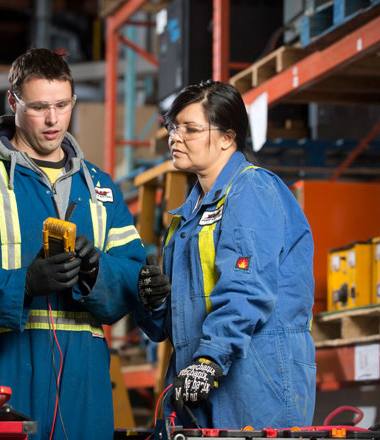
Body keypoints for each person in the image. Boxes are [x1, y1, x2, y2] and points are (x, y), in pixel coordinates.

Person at [0, 48, 145, 440]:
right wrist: (21, 285)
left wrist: (98, 273)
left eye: (63, 104)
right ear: (13, 102)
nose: (54, 119)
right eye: (39, 106)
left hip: (83, 386)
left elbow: (133, 280)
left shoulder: (103, 189)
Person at [135, 80, 315, 429]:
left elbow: (247, 289)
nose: (176, 137)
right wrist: (154, 302)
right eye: (173, 127)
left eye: (191, 128)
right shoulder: (186, 217)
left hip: (256, 379)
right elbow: (169, 325)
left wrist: (210, 359)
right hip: (199, 377)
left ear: (227, 138)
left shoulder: (252, 190)